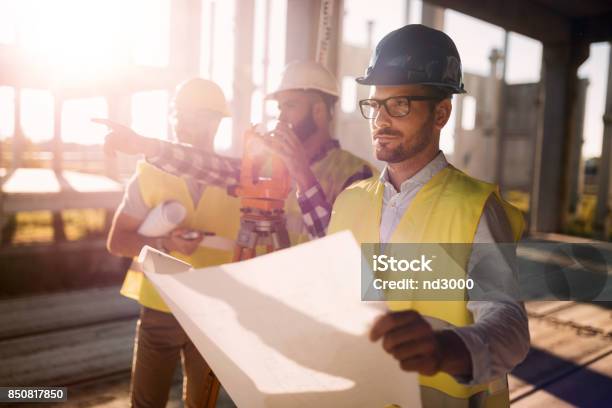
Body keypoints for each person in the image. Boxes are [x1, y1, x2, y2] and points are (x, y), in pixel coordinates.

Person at [328, 25, 530, 407]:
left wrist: (446, 349)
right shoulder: (350, 201)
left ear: (441, 113)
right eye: (375, 105)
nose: (381, 120)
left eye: (399, 104)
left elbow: (510, 327)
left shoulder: (475, 207)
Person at [101, 60, 377, 244]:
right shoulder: (272, 166)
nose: (280, 117)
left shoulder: (356, 174)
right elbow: (210, 167)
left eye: (289, 106)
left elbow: (344, 250)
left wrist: (303, 175)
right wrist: (145, 145)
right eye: (278, 107)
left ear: (318, 111)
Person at [104, 79, 241, 408]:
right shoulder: (149, 174)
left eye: (190, 115)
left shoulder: (237, 178)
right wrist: (165, 242)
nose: (179, 123)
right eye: (177, 114)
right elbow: (117, 241)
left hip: (213, 311)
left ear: (214, 121)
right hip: (159, 307)